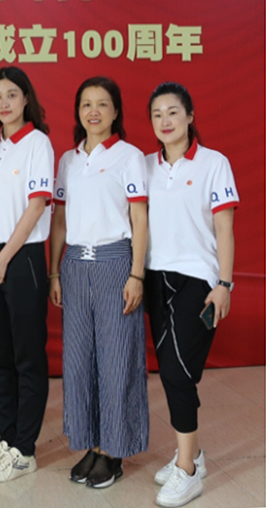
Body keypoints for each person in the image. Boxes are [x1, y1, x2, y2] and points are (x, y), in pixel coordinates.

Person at [49, 77, 149, 489]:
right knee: (79, 362)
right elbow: (58, 219)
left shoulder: (129, 157)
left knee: (116, 360)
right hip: (75, 265)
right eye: (86, 104)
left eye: (102, 104)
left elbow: (140, 218)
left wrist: (136, 274)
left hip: (115, 262)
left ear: (115, 111)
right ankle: (91, 443)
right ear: (78, 111)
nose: (94, 111)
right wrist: (55, 271)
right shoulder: (68, 160)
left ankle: (114, 450)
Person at [144, 82, 238, 508]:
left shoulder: (214, 164)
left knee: (178, 372)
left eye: (173, 112)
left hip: (198, 280)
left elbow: (224, 226)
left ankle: (187, 470)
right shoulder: (145, 165)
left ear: (190, 116)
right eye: (157, 114)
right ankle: (191, 454)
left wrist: (224, 284)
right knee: (171, 370)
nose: (165, 121)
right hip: (154, 277)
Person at [0, 67, 54, 482]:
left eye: (12, 94)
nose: (4, 102)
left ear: (26, 99)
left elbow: (36, 206)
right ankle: (6, 439)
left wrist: (4, 257)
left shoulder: (38, 144)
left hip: (22, 259)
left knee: (27, 355)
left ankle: (25, 449)